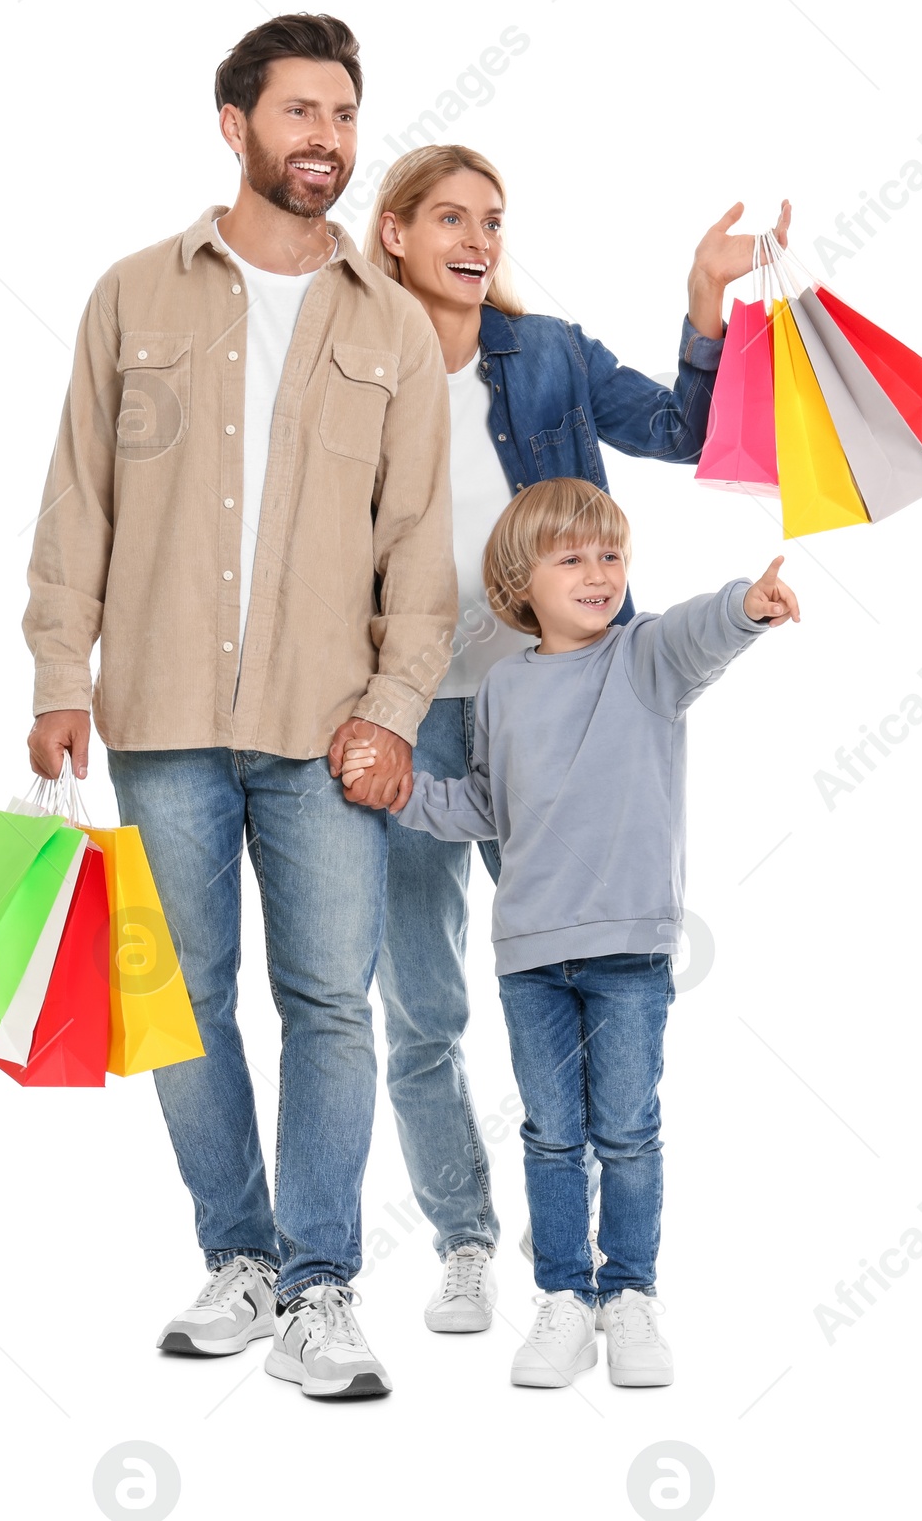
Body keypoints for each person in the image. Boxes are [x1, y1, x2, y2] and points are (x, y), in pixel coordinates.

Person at [22, 14, 457, 1401]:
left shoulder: (393, 327)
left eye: (344, 114)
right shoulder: (133, 297)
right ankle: (242, 1258)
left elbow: (420, 547)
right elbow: (77, 501)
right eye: (299, 113)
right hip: (156, 712)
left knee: (332, 1000)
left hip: (328, 727)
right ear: (235, 124)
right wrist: (54, 674)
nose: (326, 138)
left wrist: (390, 710)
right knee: (183, 1004)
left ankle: (324, 1285)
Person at [332, 144, 788, 1333]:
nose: (477, 237)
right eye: (448, 217)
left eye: (491, 218)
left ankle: (588, 1268)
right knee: (422, 1000)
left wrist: (707, 301)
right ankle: (467, 1238)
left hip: (561, 696)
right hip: (408, 707)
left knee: (587, 966)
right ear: (391, 234)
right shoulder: (345, 370)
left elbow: (686, 432)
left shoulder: (551, 358)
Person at [342, 477, 799, 1386]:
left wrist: (745, 607)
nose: (600, 574)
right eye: (573, 558)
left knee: (627, 1131)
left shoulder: (644, 659)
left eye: (612, 555)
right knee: (553, 1135)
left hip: (630, 953)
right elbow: (480, 802)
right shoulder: (503, 689)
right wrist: (400, 793)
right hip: (533, 960)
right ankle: (564, 1299)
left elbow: (698, 634)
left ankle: (631, 1297)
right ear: (522, 578)